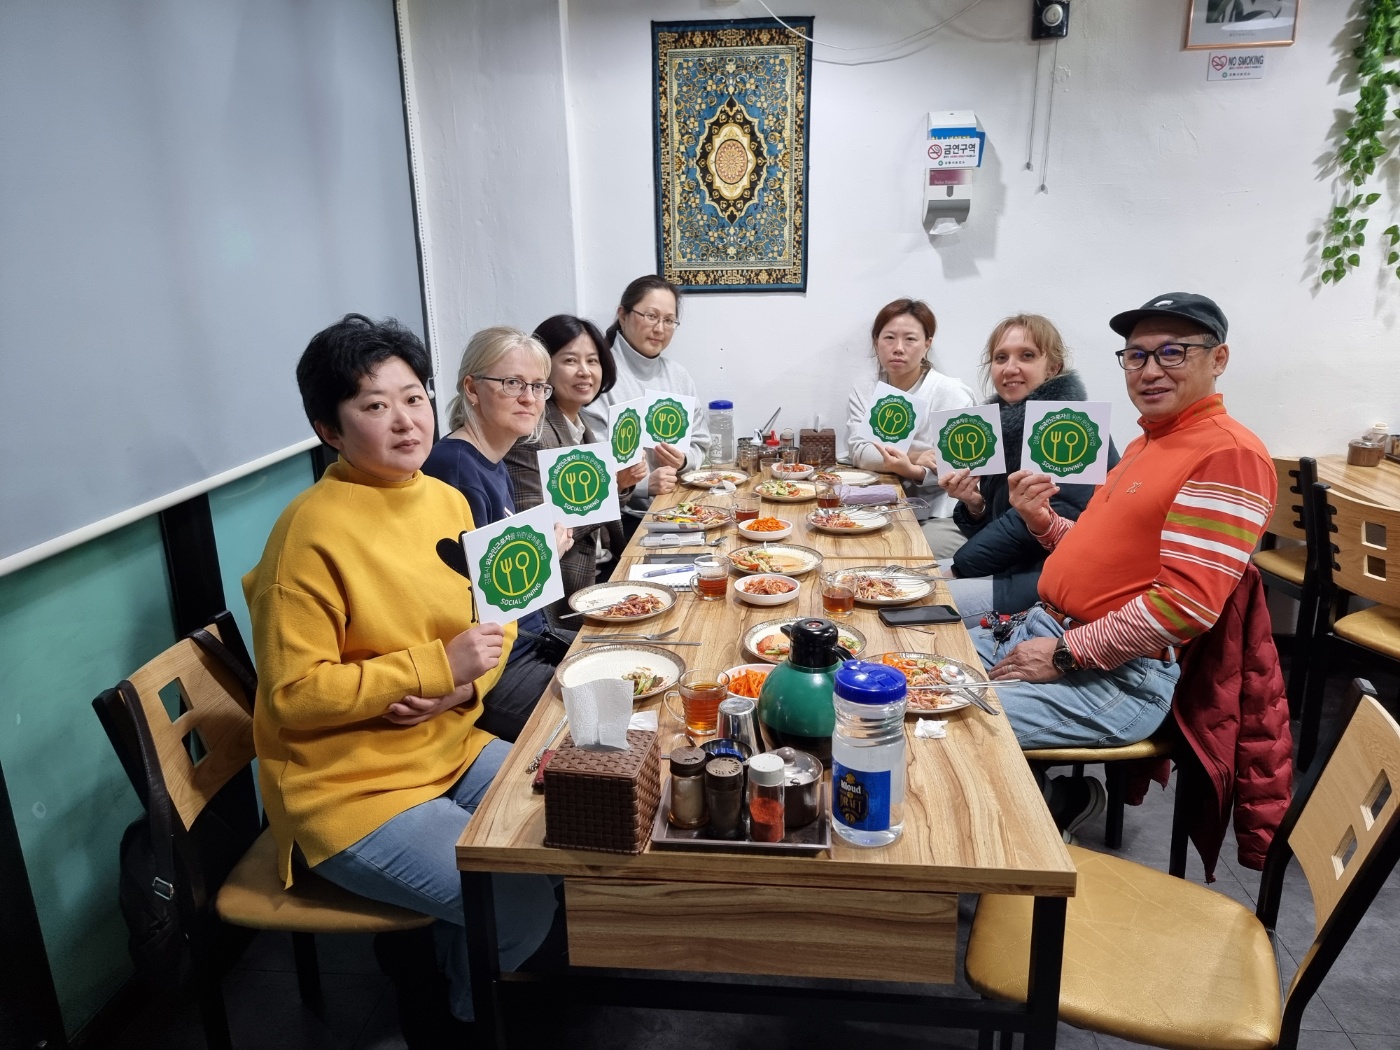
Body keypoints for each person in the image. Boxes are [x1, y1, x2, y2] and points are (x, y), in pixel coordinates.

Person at [242, 314, 557, 1043]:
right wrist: (432, 668)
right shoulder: (307, 534)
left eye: (413, 398)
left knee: (569, 816)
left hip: (447, 745)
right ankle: (454, 1017)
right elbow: (291, 695)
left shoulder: (443, 499)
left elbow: (498, 616)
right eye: (374, 405)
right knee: (517, 908)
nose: (405, 421)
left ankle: (438, 958)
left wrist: (464, 688)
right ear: (328, 428)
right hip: (349, 788)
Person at [971, 293, 1275, 838]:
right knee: (906, 665)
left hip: (1116, 678)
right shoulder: (1147, 443)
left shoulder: (1229, 455)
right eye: (1136, 355)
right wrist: (1043, 522)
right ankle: (1045, 805)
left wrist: (1065, 653)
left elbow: (1184, 606)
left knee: (939, 716)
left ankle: (1032, 827)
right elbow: (1100, 553)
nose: (1150, 370)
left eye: (1173, 353)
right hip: (1046, 633)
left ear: (1219, 359)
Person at [422, 326, 576, 743]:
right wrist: (544, 555)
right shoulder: (455, 467)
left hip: (529, 640)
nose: (529, 398)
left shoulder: (492, 459)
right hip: (497, 667)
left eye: (538, 386)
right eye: (512, 383)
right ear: (472, 389)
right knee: (608, 721)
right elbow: (465, 600)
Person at [939, 315, 1118, 623]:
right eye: (1001, 358)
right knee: (900, 582)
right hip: (1009, 568)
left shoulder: (1071, 428)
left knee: (917, 599)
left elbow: (1028, 527)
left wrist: (956, 569)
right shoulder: (1000, 427)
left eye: (1027, 355)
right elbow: (998, 525)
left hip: (1052, 581)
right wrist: (975, 505)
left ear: (1053, 367)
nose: (1010, 368)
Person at [504, 314, 645, 623]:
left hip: (606, 568)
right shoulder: (531, 435)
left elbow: (598, 514)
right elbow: (543, 533)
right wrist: (610, 488)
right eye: (570, 360)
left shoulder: (581, 427)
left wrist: (621, 485)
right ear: (543, 367)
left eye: (592, 361)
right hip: (570, 593)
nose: (585, 371)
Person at [845, 298, 977, 559]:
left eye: (910, 339)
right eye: (889, 338)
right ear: (876, 342)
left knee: (898, 554)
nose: (898, 348)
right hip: (882, 505)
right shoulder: (866, 389)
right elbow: (859, 452)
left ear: (927, 344)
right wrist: (915, 457)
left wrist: (913, 471)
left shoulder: (952, 393)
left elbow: (961, 466)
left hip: (941, 514)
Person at [580, 275, 710, 511]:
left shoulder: (678, 376)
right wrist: (642, 485)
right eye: (651, 316)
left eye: (669, 320)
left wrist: (683, 461)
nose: (659, 329)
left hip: (679, 507)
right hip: (623, 518)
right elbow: (587, 468)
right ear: (623, 315)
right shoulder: (597, 376)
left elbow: (700, 442)